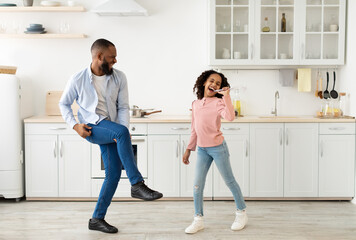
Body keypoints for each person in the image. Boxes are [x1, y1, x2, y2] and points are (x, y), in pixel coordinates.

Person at [59, 38, 163, 234]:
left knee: (113, 174)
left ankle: (97, 219)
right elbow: (63, 104)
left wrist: (121, 133)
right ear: (99, 56)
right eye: (112, 57)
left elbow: (123, 107)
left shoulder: (119, 77)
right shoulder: (78, 79)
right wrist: (75, 126)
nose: (115, 61)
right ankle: (137, 184)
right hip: (91, 127)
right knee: (121, 135)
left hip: (112, 127)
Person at [182, 70, 247, 234]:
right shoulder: (196, 104)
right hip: (202, 149)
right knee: (197, 185)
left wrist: (226, 96)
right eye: (211, 81)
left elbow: (230, 117)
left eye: (218, 83)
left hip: (218, 148)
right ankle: (198, 219)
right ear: (204, 82)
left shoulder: (219, 103)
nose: (214, 85)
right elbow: (194, 129)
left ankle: (241, 213)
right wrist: (189, 149)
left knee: (229, 181)